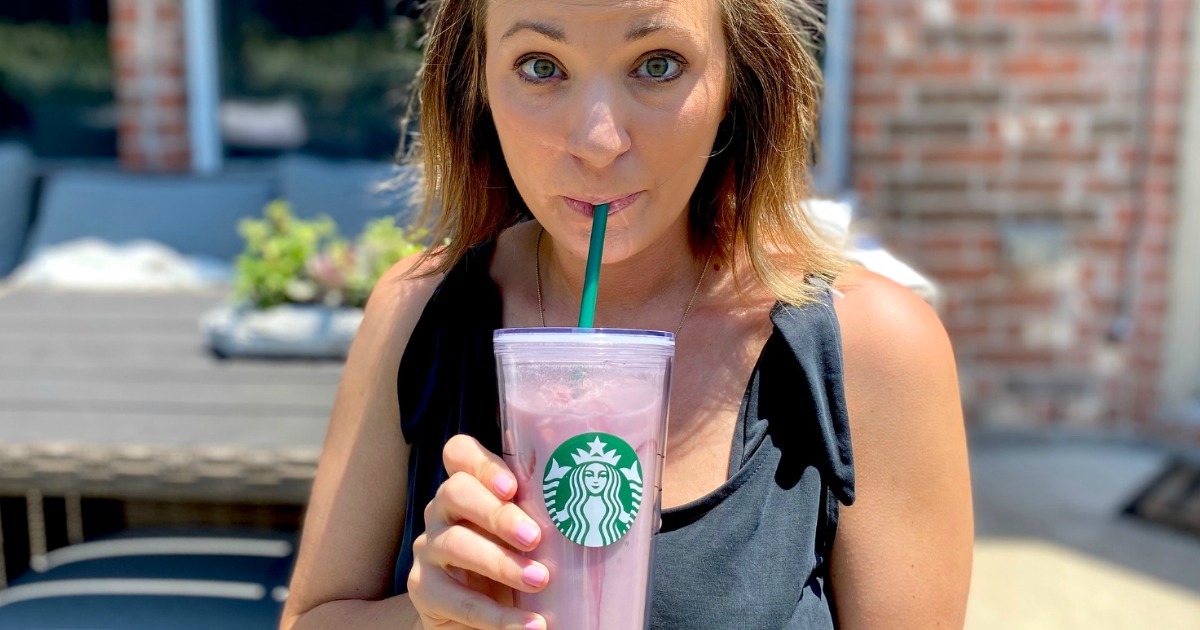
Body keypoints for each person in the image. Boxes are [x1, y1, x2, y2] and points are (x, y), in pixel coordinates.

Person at [279, 0, 974, 627]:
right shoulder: (417, 311)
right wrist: (429, 617)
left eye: (658, 64)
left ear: (737, 77)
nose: (600, 139)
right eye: (541, 66)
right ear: (477, 83)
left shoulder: (873, 347)